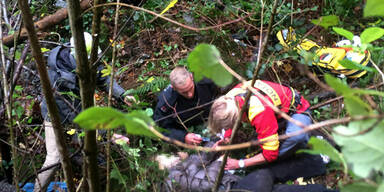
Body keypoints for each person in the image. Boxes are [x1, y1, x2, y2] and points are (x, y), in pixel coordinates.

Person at [35, 32, 133, 191]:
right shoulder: (59, 77)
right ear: (77, 56)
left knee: (90, 154)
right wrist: (108, 134)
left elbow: (104, 77)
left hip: (79, 111)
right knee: (54, 159)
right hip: (57, 115)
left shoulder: (88, 59)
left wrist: (123, 95)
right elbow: (77, 116)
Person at [208, 79, 312, 169]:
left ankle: (279, 162)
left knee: (297, 137)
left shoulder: (259, 111)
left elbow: (271, 154)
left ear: (237, 117)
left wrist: (240, 164)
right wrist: (226, 136)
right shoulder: (228, 100)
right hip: (275, 112)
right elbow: (230, 120)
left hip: (296, 110)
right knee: (258, 142)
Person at [153, 66, 219, 145]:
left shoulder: (205, 81)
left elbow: (224, 93)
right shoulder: (167, 102)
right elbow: (161, 129)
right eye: (184, 92)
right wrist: (182, 137)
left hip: (214, 117)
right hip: (189, 132)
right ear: (174, 88)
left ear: (191, 77)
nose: (190, 95)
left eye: (190, 88)